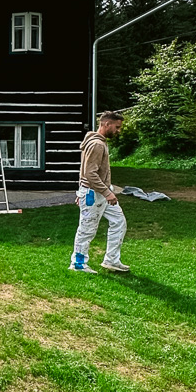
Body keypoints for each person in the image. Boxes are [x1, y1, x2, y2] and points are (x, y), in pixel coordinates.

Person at [70, 110, 129, 274]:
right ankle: (78, 264)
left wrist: (81, 191)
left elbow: (84, 169)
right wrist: (106, 192)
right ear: (106, 124)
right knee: (87, 229)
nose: (118, 131)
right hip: (93, 194)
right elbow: (90, 173)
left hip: (97, 192)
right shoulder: (97, 144)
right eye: (117, 127)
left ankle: (112, 260)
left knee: (119, 222)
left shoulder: (99, 142)